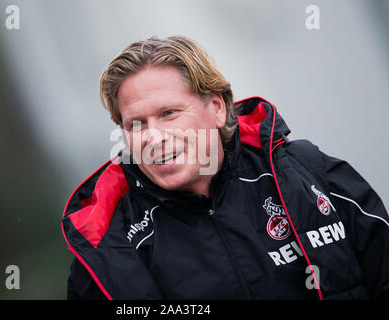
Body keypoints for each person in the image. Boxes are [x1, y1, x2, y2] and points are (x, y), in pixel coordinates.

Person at [61, 35, 389, 300]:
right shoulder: (107, 245)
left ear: (217, 108)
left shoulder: (308, 173)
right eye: (136, 124)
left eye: (169, 113)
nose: (154, 137)